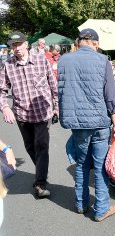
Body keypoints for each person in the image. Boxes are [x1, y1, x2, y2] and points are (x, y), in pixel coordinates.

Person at [58, 28, 115, 222]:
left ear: (78, 42)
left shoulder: (64, 60)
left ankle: (81, 203)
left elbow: (61, 91)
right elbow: (110, 96)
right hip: (100, 121)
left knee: (82, 163)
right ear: (96, 44)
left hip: (77, 122)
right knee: (100, 166)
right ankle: (101, 209)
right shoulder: (102, 61)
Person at [0, 31, 58, 197]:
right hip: (22, 115)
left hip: (42, 113)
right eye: (13, 45)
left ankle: (40, 183)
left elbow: (53, 86)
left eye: (19, 44)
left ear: (26, 44)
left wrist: (56, 108)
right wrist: (4, 107)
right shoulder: (8, 66)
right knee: (30, 146)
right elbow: (1, 90)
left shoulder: (41, 60)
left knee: (42, 147)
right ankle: (42, 170)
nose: (16, 48)